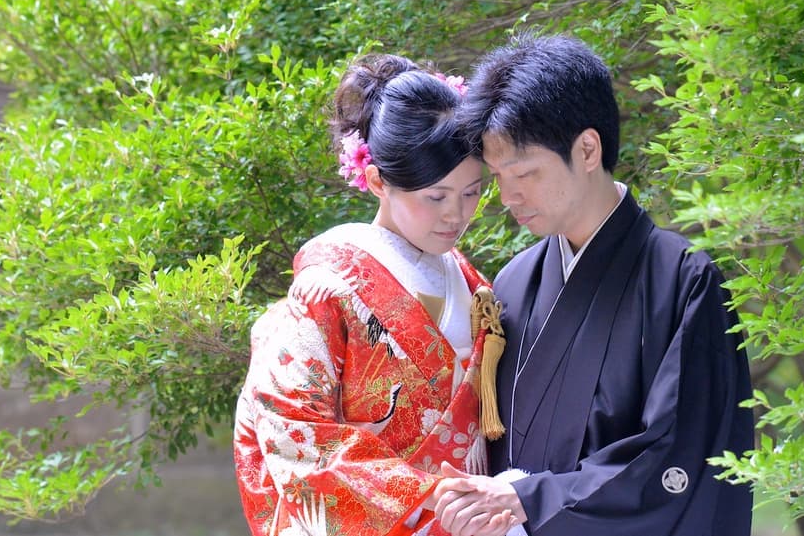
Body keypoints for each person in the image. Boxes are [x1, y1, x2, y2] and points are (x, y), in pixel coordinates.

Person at [433, 34, 754, 536]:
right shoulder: (514, 283)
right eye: (497, 176)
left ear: (587, 149)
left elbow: (679, 456)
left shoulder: (682, 279)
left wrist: (529, 500)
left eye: (526, 172)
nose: (509, 195)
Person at [234, 54, 511, 536]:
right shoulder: (328, 287)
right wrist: (427, 500)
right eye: (436, 196)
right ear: (379, 180)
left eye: (471, 193)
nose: (457, 215)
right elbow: (293, 431)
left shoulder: (471, 284)